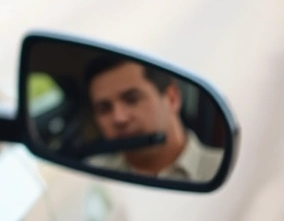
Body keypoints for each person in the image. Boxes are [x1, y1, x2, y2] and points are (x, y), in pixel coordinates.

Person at [83, 55, 224, 182]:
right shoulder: (90, 175)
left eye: (132, 99)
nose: (119, 118)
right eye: (104, 108)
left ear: (172, 98)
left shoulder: (224, 171)